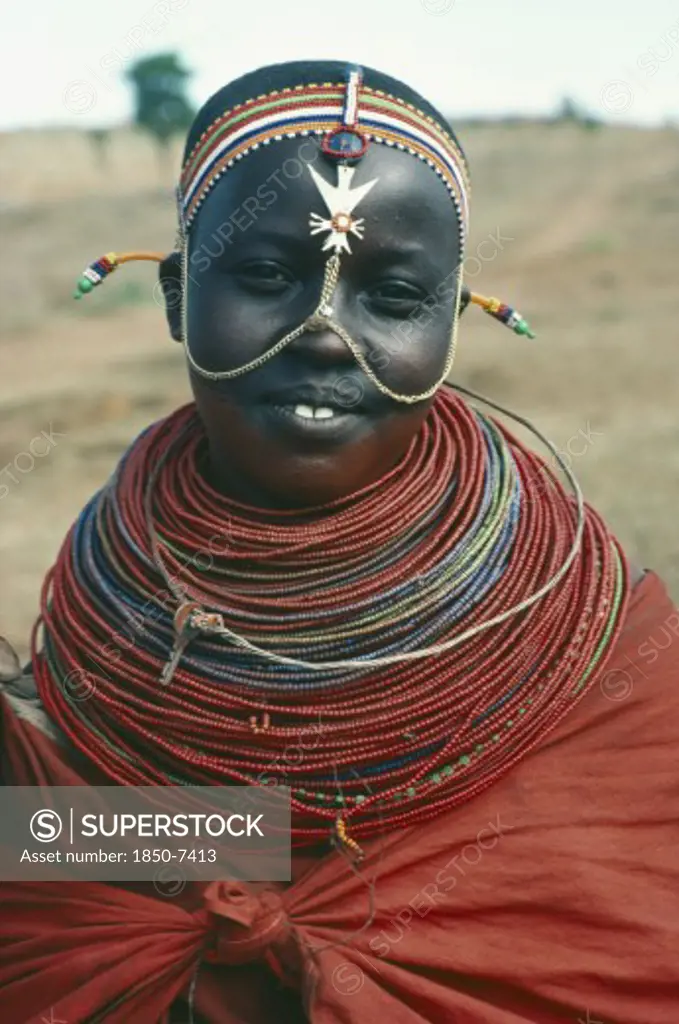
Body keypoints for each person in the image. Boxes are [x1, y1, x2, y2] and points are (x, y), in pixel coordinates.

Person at [1, 59, 677, 1024]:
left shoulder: (603, 656)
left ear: (452, 324)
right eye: (267, 275)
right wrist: (248, 863)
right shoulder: (102, 619)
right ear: (175, 298)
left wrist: (234, 869)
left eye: (393, 298)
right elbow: (45, 854)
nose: (323, 331)